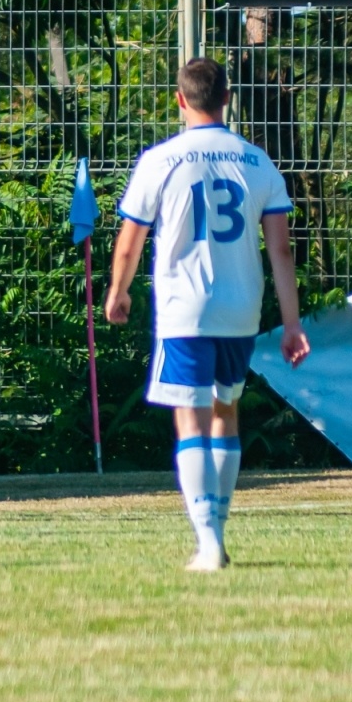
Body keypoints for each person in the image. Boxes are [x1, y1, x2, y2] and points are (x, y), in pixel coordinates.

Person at [105, 57, 310, 573]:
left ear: (180, 99)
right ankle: (216, 533)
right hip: (240, 309)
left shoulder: (160, 160)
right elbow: (281, 251)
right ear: (228, 98)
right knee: (227, 412)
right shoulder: (258, 162)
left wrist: (118, 291)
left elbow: (131, 241)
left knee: (189, 417)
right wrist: (291, 323)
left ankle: (209, 542)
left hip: (185, 311)